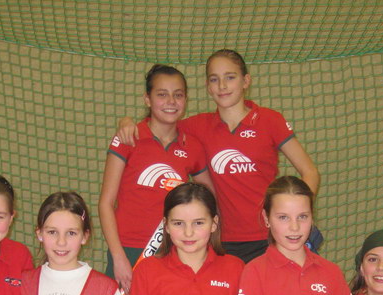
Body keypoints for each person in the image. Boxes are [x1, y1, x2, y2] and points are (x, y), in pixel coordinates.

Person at [118, 49, 320, 263]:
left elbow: (310, 172)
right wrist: (127, 122)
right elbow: (160, 122)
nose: (222, 86)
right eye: (214, 79)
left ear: (246, 81)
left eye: (230, 77)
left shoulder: (270, 121)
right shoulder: (197, 126)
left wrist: (294, 216)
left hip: (269, 237)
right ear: (208, 86)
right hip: (222, 241)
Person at [98, 64, 212, 295]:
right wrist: (118, 256)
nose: (171, 101)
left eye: (178, 95)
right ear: (147, 99)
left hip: (172, 250)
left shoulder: (192, 146)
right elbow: (105, 203)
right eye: (162, 94)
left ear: (186, 99)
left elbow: (209, 198)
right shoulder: (128, 138)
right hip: (129, 250)